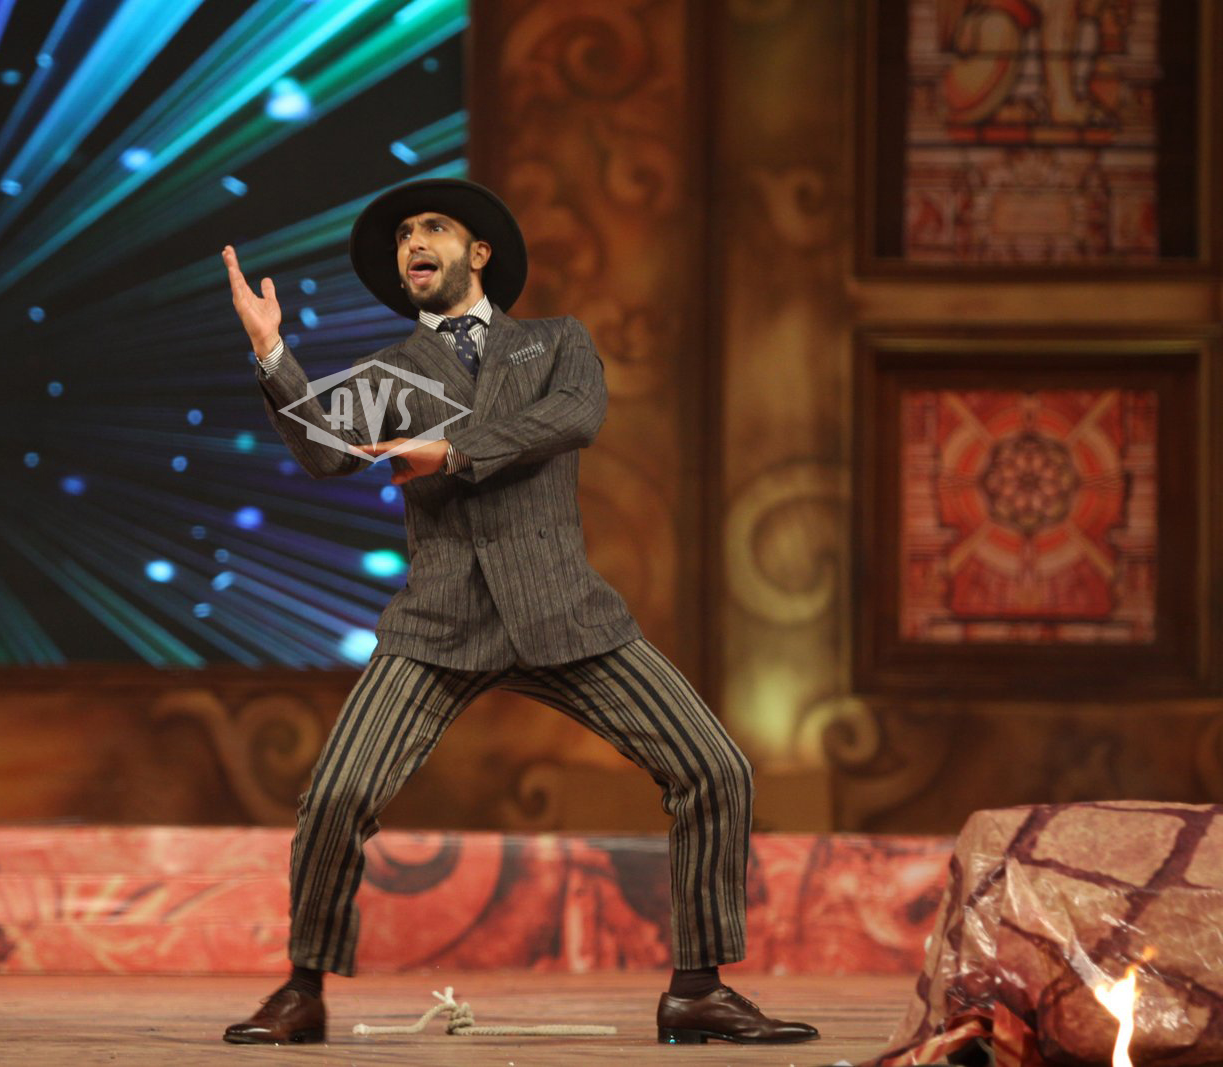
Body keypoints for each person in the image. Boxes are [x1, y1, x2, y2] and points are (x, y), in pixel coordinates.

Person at [217, 178, 817, 1047]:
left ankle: (698, 989)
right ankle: (301, 990)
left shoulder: (554, 342)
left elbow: (574, 417)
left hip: (562, 611)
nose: (412, 242)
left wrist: (454, 451)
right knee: (338, 792)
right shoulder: (394, 374)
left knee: (716, 769)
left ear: (479, 252)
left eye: (431, 227)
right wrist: (273, 352)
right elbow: (321, 449)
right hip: (440, 622)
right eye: (402, 235)